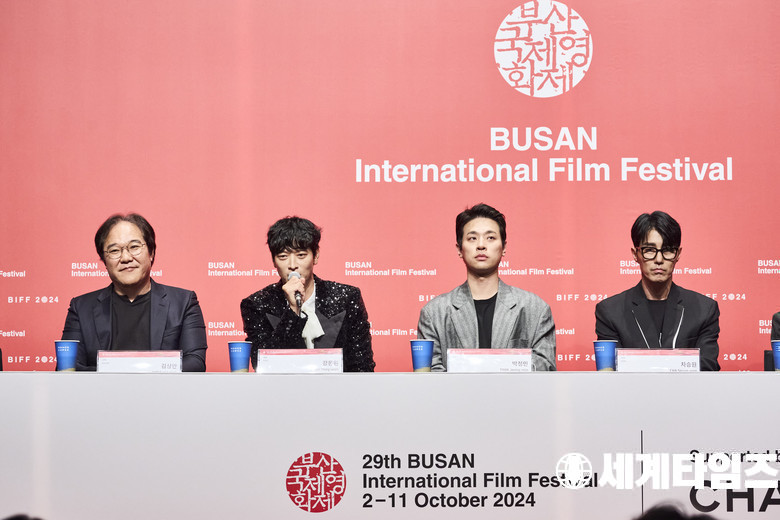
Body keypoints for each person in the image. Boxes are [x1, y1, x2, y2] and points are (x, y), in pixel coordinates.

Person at [417, 203, 556, 371]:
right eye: (472, 238)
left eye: (490, 238)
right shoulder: (434, 313)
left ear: (504, 247)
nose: (481, 245)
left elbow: (545, 369)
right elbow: (431, 377)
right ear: (459, 249)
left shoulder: (535, 309)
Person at [61, 214, 207, 371]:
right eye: (114, 250)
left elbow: (195, 363)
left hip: (162, 388)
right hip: (102, 388)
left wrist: (132, 371)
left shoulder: (183, 303)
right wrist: (128, 372)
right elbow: (68, 368)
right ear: (104, 260)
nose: (125, 258)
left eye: (134, 247)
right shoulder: (81, 308)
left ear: (151, 252)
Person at [240, 216, 375, 372]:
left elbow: (362, 367)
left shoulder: (347, 298)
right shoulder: (257, 304)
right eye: (283, 257)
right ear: (274, 261)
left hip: (338, 386)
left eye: (301, 255)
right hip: (282, 387)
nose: (292, 265)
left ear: (315, 256)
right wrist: (292, 311)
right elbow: (263, 365)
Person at [595, 211, 720, 371]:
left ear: (678, 254)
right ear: (635, 254)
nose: (659, 259)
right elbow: (610, 372)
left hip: (687, 388)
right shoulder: (610, 311)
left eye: (667, 250)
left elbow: (708, 367)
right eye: (649, 250)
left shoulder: (704, 309)